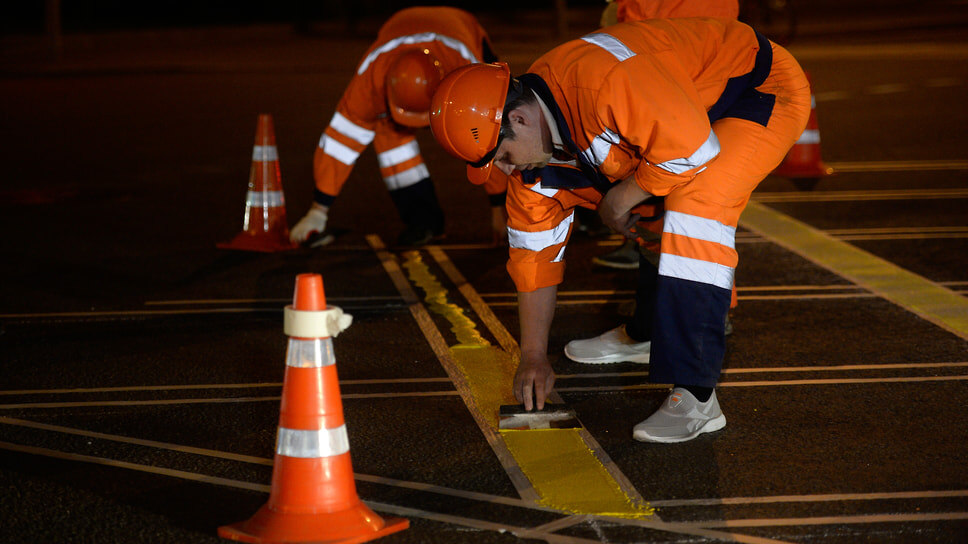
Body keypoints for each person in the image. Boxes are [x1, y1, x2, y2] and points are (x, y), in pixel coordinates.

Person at [430, 18, 810, 442]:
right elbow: (533, 261)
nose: (504, 171)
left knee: (694, 205)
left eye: (501, 156)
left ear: (518, 118)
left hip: (757, 89)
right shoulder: (534, 154)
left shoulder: (602, 82)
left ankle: (697, 396)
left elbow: (692, 150)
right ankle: (648, 333)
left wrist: (619, 199)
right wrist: (533, 356)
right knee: (650, 200)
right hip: (688, 110)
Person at [290, 6, 507, 247]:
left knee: (491, 123)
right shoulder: (370, 81)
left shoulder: (465, 69)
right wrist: (318, 211)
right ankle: (423, 221)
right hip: (404, 27)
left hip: (460, 25)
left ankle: (519, 205)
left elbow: (489, 138)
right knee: (391, 141)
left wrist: (500, 206)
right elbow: (339, 143)